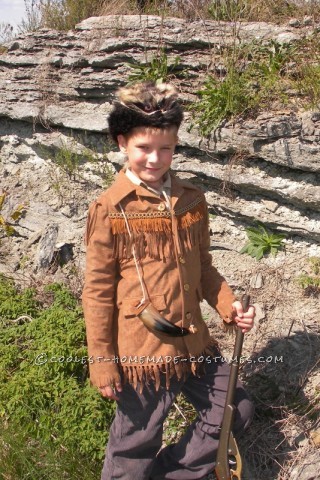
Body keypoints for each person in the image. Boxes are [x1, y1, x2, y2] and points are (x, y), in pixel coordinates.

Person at [82, 81, 255, 480]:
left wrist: (230, 306)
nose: (156, 158)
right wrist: (102, 363)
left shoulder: (191, 199)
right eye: (144, 147)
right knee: (133, 449)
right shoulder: (110, 209)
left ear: (176, 144)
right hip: (142, 354)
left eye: (166, 148)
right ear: (123, 142)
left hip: (194, 342)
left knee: (235, 409)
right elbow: (97, 292)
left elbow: (205, 268)